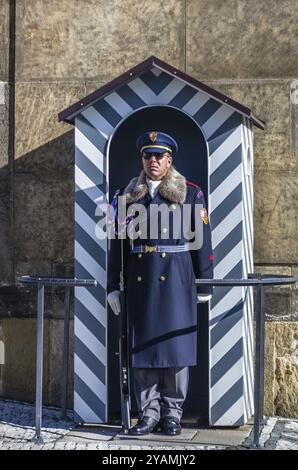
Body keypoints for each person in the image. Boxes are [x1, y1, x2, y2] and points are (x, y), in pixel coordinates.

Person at [107, 131, 214, 436]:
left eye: (158, 156)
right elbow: (117, 245)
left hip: (178, 281)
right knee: (143, 351)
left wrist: (205, 283)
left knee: (176, 351)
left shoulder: (191, 193)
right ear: (142, 159)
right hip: (141, 283)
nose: (152, 161)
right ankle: (149, 414)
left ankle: (172, 414)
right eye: (147, 156)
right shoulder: (125, 197)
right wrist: (113, 284)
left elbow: (202, 241)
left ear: (170, 160)